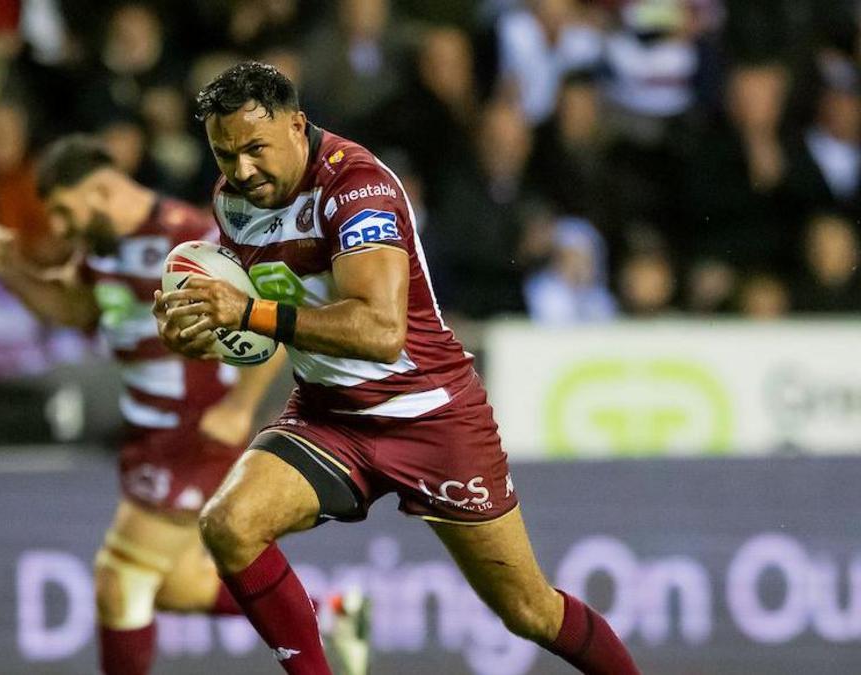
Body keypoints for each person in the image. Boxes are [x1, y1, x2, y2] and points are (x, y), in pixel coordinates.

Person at [153, 61, 640, 675]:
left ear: (297, 126)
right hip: (330, 417)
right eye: (226, 156)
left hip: (430, 416)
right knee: (229, 524)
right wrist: (197, 330)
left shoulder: (357, 188)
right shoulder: (233, 205)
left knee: (528, 612)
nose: (243, 171)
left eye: (255, 148)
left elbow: (381, 333)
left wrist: (246, 312)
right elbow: (256, 329)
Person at [0, 136, 297, 675]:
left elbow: (273, 314)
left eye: (62, 210)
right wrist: (10, 270)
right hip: (148, 436)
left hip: (198, 432)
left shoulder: (192, 240)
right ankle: (323, 615)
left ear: (100, 190)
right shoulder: (100, 251)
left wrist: (241, 407)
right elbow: (76, 311)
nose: (57, 227)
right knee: (176, 585)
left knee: (120, 581)